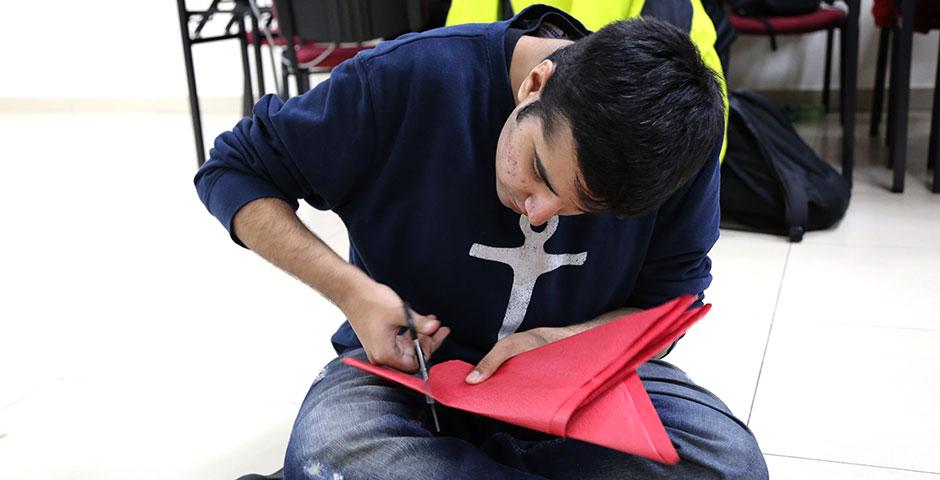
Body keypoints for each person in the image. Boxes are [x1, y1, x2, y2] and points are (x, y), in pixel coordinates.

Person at [194, 4, 768, 479]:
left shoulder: (676, 148)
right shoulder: (409, 77)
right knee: (338, 450)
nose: (541, 215)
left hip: (579, 382)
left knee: (728, 465)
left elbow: (670, 303)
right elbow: (232, 170)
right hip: (410, 372)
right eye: (540, 171)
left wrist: (563, 342)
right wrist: (351, 292)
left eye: (581, 207)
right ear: (534, 84)